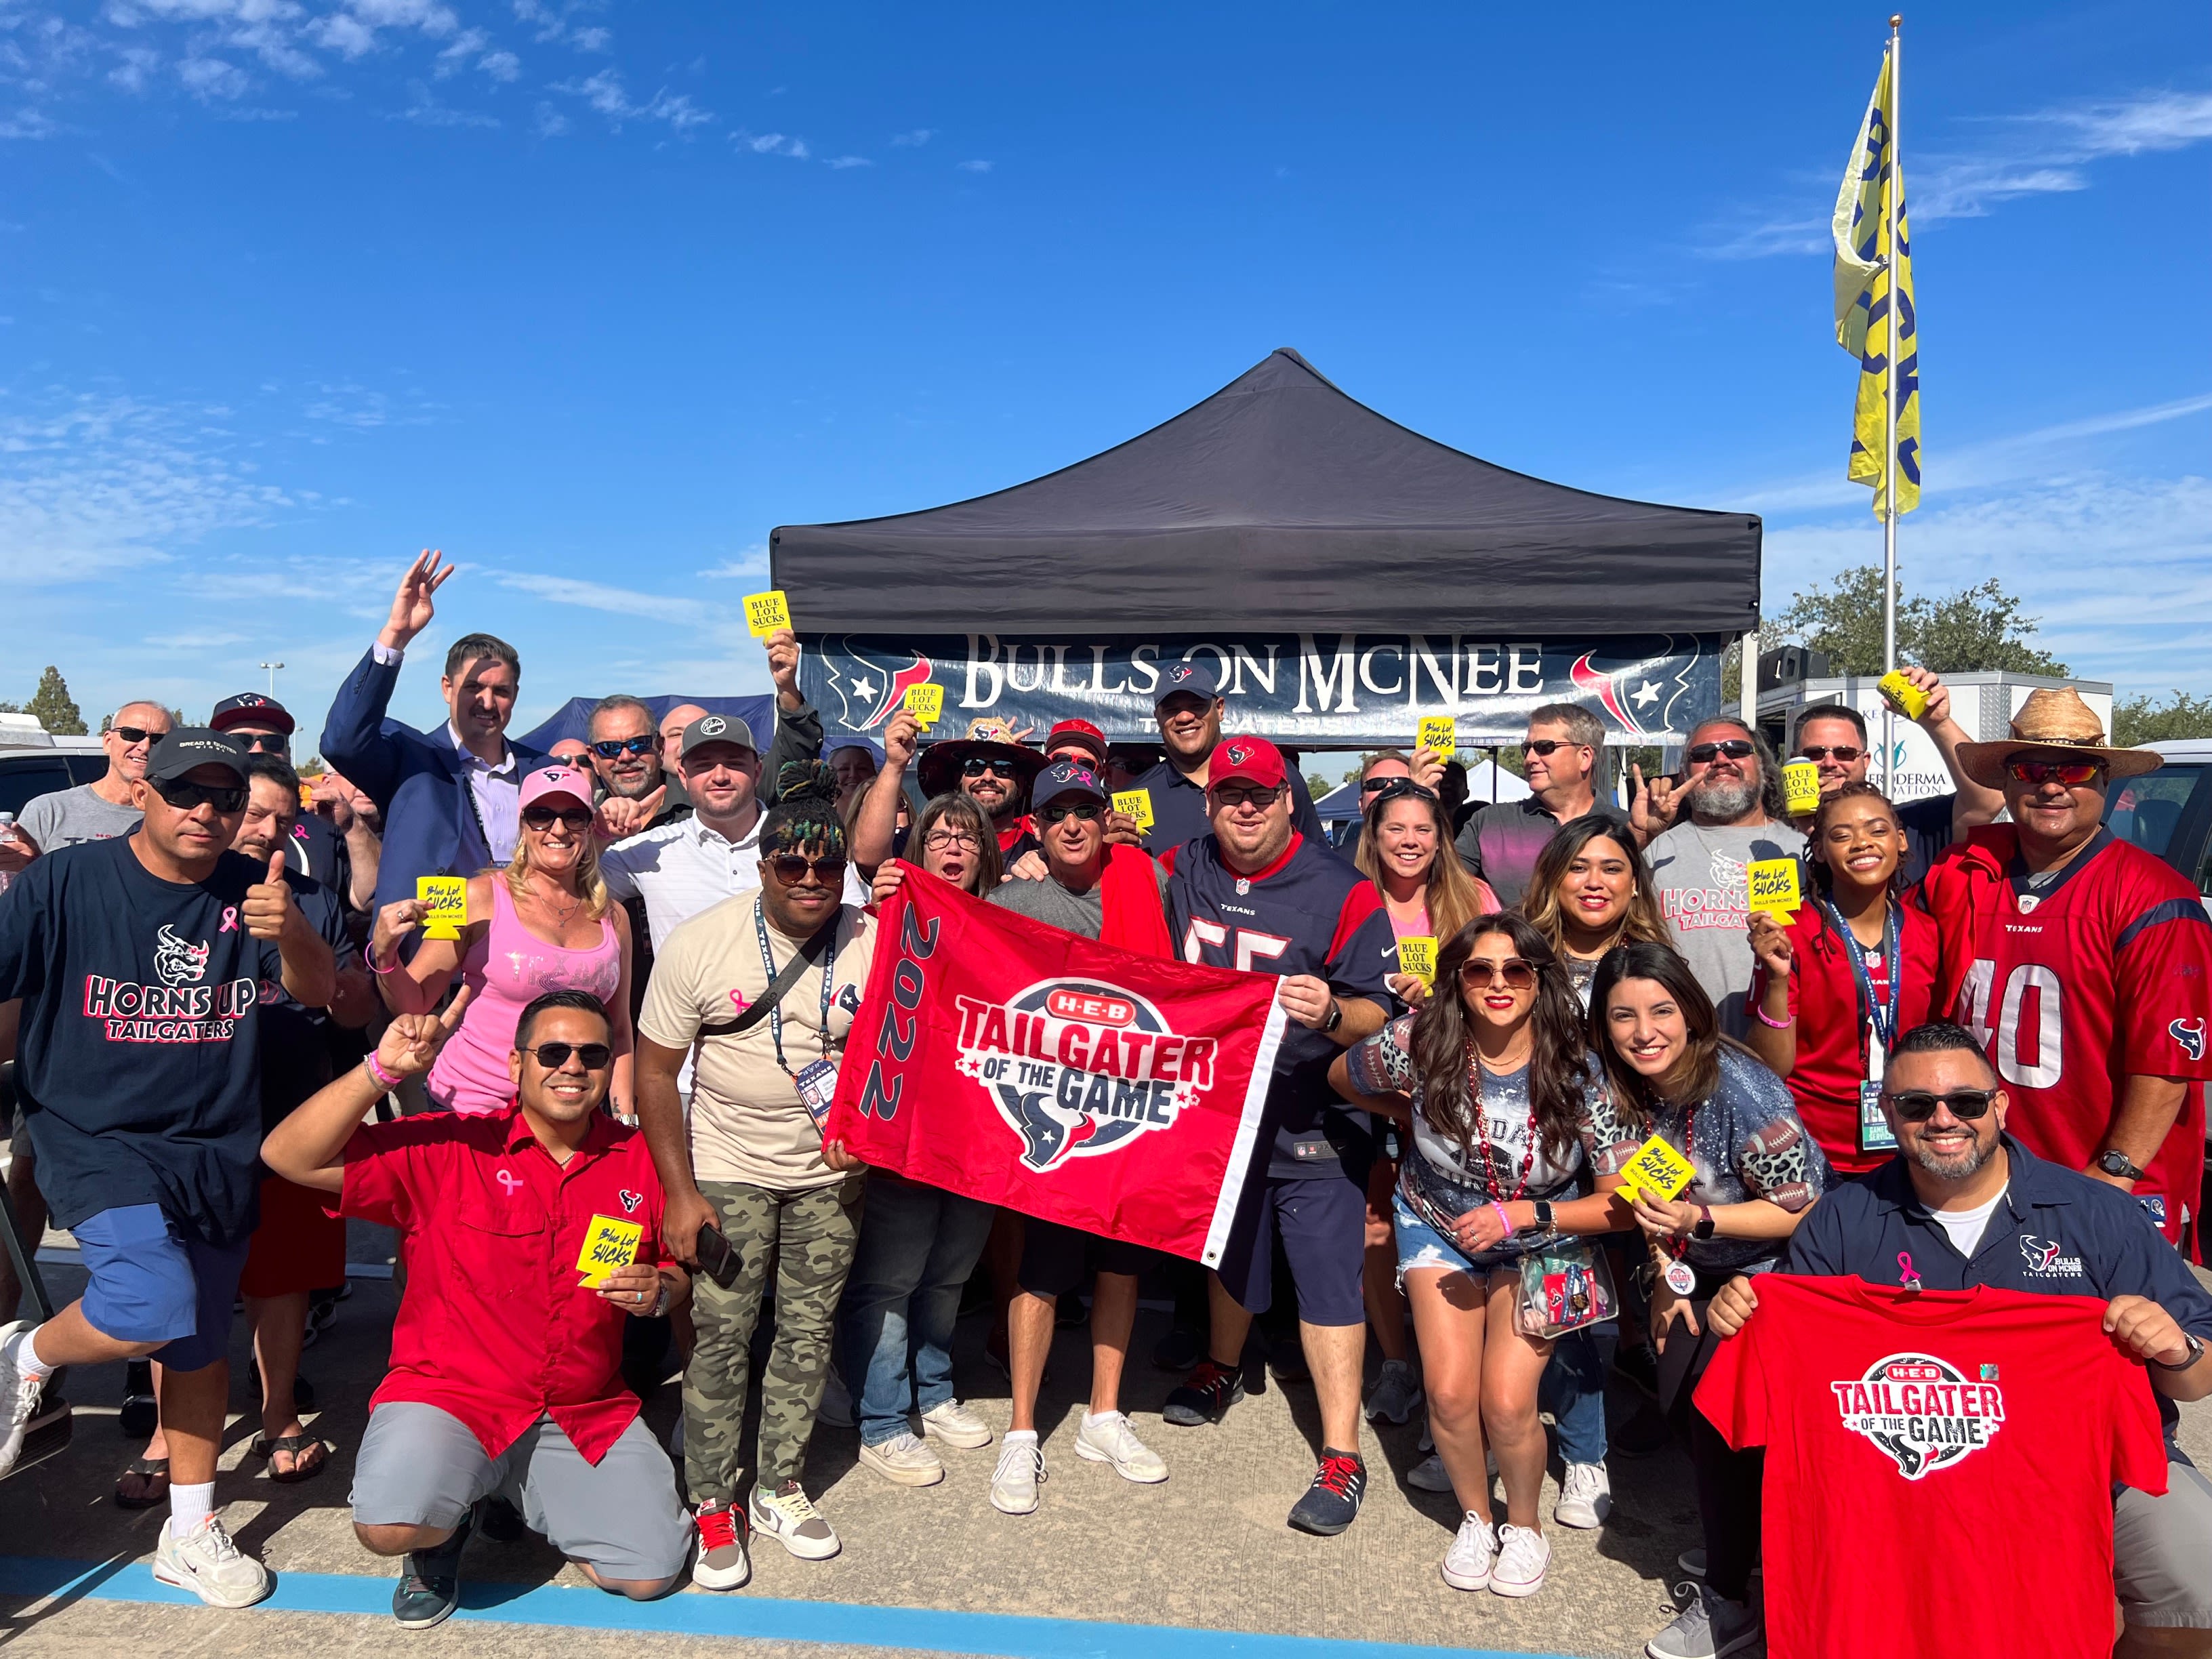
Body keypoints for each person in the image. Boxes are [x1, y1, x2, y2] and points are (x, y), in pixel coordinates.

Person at [1704, 1021, 2212, 1658]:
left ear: (2000, 1105)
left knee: (2202, 1580)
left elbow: (2199, 1377)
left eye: (1966, 1102)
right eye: (1917, 1105)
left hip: (2094, 1470)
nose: (1944, 1119)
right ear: (1888, 1113)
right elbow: (1791, 1363)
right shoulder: (1845, 1218)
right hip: (1906, 1485)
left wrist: (2177, 1350)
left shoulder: (2096, 1213)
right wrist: (1745, 1313)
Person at [0, 729, 336, 1607]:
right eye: (190, 792)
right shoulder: (65, 883)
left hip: (216, 1144)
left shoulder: (254, 892)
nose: (208, 813)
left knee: (194, 1342)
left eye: (227, 801)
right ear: (144, 790)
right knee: (148, 1301)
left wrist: (292, 928)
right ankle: (25, 1358)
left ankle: (189, 1532)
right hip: (96, 1134)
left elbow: (318, 990)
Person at [262, 989, 693, 1623]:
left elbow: (680, 1270)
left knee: (650, 1572)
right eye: (552, 1051)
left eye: (593, 1054)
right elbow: (287, 1156)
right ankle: (447, 1522)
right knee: (388, 1525)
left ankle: (509, 1488)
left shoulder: (641, 1159)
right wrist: (379, 1073)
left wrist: (663, 1290)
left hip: (578, 1407)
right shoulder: (450, 1147)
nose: (572, 1066)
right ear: (517, 1065)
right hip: (451, 1397)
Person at [1330, 916, 1623, 1597]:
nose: (1498, 983)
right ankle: (1475, 1517)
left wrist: (1526, 1212)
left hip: (1542, 1238)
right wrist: (1408, 1117)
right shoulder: (1420, 1040)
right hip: (1437, 1222)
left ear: (1540, 980)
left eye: (1516, 970)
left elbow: (1622, 1202)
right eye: (1479, 970)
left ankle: (1523, 1527)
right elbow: (1342, 1073)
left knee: (1507, 1402)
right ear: (1456, 980)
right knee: (1451, 1394)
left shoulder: (1579, 1066)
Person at [634, 764, 873, 1580]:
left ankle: (778, 1485)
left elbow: (900, 1060)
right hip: (730, 1168)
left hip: (828, 1179)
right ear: (765, 862)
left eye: (827, 866)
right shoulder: (703, 942)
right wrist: (680, 1192)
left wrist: (867, 1132)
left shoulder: (872, 942)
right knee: (723, 1336)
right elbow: (656, 1073)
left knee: (807, 1338)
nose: (811, 880)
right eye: (792, 864)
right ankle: (709, 1501)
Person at [121, 752, 373, 1506]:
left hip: (290, 1111)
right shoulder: (172, 894)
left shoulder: (317, 900)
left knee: (282, 1276)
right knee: (180, 1282)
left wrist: (360, 965)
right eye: (252, 814)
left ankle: (277, 1415)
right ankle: (169, 1434)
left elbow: (349, 1009)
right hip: (186, 1122)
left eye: (280, 819)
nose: (265, 831)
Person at [1158, 736, 1394, 1536]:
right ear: (1209, 803)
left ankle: (1340, 1452)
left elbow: (1377, 1013)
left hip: (1311, 1112)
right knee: (1224, 1244)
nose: (1246, 807)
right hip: (1217, 1113)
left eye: (1260, 792)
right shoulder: (1180, 867)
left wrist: (1329, 1011)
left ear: (1290, 797)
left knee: (1327, 1276)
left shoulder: (1344, 890)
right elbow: (1114, 894)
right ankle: (1222, 1368)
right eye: (1230, 795)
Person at [1583, 944, 1830, 1659]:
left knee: (1724, 1419)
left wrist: (1700, 1225)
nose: (1644, 1031)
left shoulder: (1745, 1092)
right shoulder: (1610, 1081)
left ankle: (1731, 1597)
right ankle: (1747, 1549)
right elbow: (1641, 1187)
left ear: (1691, 1013)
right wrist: (1664, 1266)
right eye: (1622, 1015)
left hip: (1778, 1266)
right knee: (1681, 1406)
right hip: (1689, 1261)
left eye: (1661, 1011)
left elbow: (1803, 1211)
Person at [1918, 687, 2212, 1253]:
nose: (2051, 785)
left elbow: (2168, 1064)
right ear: (2006, 783)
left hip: (2100, 1179)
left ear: (2104, 781)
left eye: (2074, 768)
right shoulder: (1966, 874)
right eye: (2031, 768)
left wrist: (2116, 1173)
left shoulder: (2154, 896)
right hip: (1982, 1174)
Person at [976, 760, 1176, 1517]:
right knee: (1041, 1275)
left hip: (1125, 1114)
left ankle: (1102, 1414)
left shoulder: (1145, 883)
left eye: (1084, 811)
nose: (1071, 825)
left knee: (1121, 1267)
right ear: (1035, 823)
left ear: (1104, 818)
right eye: (1056, 812)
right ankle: (1023, 1431)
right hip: (1046, 1118)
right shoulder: (1014, 897)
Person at [834, 793, 1003, 1487]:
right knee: (890, 1280)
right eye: (940, 837)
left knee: (950, 1275)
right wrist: (882, 903)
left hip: (977, 1137)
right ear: (918, 848)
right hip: (904, 1126)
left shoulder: (1005, 924)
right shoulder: (883, 916)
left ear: (986, 854)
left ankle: (933, 1391)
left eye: (967, 838)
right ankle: (882, 1419)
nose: (953, 848)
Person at [1348, 773, 1495, 1427]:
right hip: (1374, 1089)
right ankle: (1398, 1363)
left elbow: (1504, 987)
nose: (1409, 842)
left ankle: (1461, 1376)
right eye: (1395, 829)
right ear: (1373, 836)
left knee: (1457, 1228)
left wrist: (1440, 999)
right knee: (1376, 1229)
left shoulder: (1476, 897)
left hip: (1455, 1095)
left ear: (1441, 839)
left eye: (1422, 830)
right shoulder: (1349, 897)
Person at [371, 764, 635, 1116]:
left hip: (571, 1115)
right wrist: (386, 953)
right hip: (471, 1109)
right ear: (523, 825)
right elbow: (414, 1001)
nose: (558, 829)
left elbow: (618, 1029)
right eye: (542, 816)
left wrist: (625, 1117)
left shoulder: (614, 917)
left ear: (588, 828)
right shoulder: (470, 895)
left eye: (573, 817)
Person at [319, 551, 551, 914]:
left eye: (501, 691)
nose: (487, 702)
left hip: (520, 951)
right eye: (474, 687)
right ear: (447, 688)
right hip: (429, 951)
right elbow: (342, 740)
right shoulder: (410, 759)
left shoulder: (544, 771)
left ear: (515, 697)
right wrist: (395, 636)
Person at [1745, 783, 1940, 1178]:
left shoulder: (1929, 932)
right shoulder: (1790, 934)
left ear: (1900, 841)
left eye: (1877, 830)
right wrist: (1777, 980)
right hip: (1814, 1151)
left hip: (1913, 1146)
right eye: (1841, 835)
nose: (1862, 843)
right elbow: (1770, 1068)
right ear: (1818, 851)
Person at [1641, 718, 1807, 1041]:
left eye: (1737, 749)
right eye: (1703, 754)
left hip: (1787, 1054)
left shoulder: (1803, 851)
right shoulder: (1652, 849)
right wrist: (1637, 836)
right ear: (1685, 774)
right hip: (1685, 1054)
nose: (1721, 760)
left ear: (1760, 764)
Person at [1787, 670, 2003, 883]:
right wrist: (1818, 831)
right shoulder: (1774, 842)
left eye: (1845, 753)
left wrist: (1938, 723)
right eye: (1815, 754)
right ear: (1794, 760)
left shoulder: (1909, 824)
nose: (1830, 763)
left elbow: (1989, 798)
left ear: (1866, 761)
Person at [600, 716, 767, 956]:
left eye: (734, 763)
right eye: (703, 766)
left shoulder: (798, 842)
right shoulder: (651, 848)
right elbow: (567, 890)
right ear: (683, 775)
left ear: (758, 771)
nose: (720, 776)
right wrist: (598, 836)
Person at [1127, 660, 1327, 854]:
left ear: (1220, 708)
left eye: (1197, 706)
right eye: (1171, 710)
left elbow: (1318, 860)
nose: (1185, 717)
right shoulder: (1132, 796)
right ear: (1158, 717)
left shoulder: (1275, 773)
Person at [1454, 705, 1635, 906]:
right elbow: (1442, 885)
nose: (1530, 759)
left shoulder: (1626, 827)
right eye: (1527, 749)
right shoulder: (1489, 822)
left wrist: (1643, 836)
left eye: (1544, 747)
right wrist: (1426, 800)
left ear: (1584, 757)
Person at [211, 693, 371, 912]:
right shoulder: (186, 819)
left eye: (273, 742)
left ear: (288, 752)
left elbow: (370, 899)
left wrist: (352, 825)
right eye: (241, 741)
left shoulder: (326, 823)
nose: (258, 750)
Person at [1523, 818, 1674, 1009]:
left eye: (1611, 870)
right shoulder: (1520, 957)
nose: (1594, 883)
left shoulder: (1659, 965)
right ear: (1553, 878)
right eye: (1578, 868)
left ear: (1634, 883)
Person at [5, 699, 174, 861]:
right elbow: (21, 880)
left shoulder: (178, 818)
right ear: (108, 742)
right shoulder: (48, 811)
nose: (145, 747)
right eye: (132, 734)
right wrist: (31, 866)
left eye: (159, 740)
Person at [914, 717, 1047, 867]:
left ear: (1021, 784)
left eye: (1002, 768)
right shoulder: (925, 846)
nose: (988, 777)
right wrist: (895, 765)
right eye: (974, 767)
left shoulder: (1044, 855)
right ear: (958, 779)